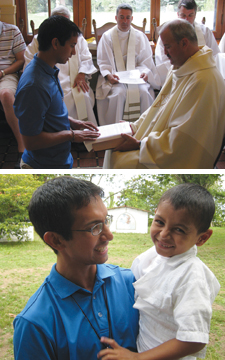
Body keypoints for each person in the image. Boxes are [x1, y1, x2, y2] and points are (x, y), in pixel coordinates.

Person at [13, 176, 139, 359]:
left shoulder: (131, 283)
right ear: (56, 240)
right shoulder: (35, 323)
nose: (109, 235)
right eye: (94, 227)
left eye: (106, 220)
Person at [98, 183, 220, 360]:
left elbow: (194, 340)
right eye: (159, 222)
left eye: (179, 229)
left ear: (202, 238)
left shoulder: (192, 277)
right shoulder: (151, 257)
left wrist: (138, 358)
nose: (163, 234)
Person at [103, 19, 225, 169]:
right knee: (112, 149)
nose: (165, 53)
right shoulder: (181, 68)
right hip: (161, 140)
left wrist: (141, 144)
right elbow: (158, 107)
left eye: (167, 47)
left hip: (179, 155)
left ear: (184, 43)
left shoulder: (204, 80)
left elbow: (185, 139)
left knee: (120, 162)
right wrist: (134, 126)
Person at [14, 16, 100, 169]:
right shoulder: (34, 85)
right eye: (72, 45)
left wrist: (72, 122)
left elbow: (46, 113)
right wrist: (72, 135)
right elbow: (31, 141)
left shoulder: (48, 70)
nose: (74, 52)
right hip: (43, 165)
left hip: (58, 159)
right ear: (55, 43)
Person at [23, 6, 98, 126]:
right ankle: (68, 134)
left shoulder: (77, 38)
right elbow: (30, 65)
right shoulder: (39, 41)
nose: (73, 52)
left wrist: (82, 73)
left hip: (74, 80)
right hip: (50, 81)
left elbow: (86, 57)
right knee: (59, 98)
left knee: (82, 96)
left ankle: (83, 132)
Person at [96, 3, 161, 125]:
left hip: (136, 79)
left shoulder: (140, 37)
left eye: (128, 17)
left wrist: (144, 73)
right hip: (115, 78)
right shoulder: (107, 37)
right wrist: (109, 76)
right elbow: (103, 62)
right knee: (119, 94)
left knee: (144, 92)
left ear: (132, 18)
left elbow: (146, 61)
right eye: (121, 17)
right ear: (116, 18)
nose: (125, 21)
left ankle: (141, 132)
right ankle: (115, 133)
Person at [155, 0, 220, 84]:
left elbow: (215, 56)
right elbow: (163, 61)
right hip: (177, 76)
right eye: (183, 15)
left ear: (195, 15)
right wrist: (185, 71)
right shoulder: (168, 33)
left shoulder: (205, 32)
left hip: (202, 75)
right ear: (178, 15)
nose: (186, 19)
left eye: (190, 15)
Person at [0, 20, 26, 168]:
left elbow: (21, 60)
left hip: (7, 73)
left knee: (6, 94)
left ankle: (22, 146)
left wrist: (3, 72)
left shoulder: (12, 31)